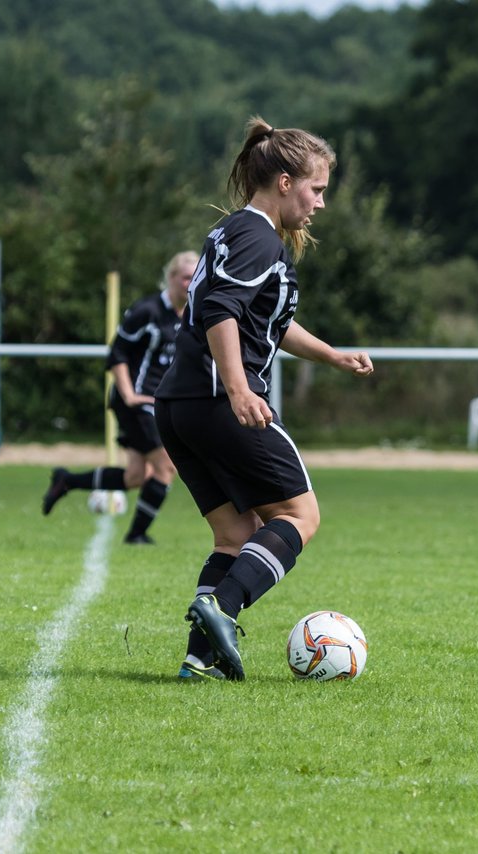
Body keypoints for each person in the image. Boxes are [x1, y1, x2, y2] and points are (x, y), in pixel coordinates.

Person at [154, 117, 374, 681]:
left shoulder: (237, 233)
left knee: (235, 534)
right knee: (301, 515)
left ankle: (198, 659)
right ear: (283, 181)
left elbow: (268, 323)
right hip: (218, 402)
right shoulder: (256, 236)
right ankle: (221, 609)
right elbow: (221, 310)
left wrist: (330, 355)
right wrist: (239, 388)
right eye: (316, 188)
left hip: (179, 406)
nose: (321, 202)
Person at [41, 251, 199, 545]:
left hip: (158, 403)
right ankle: (137, 535)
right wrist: (129, 394)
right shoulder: (147, 310)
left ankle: (67, 481)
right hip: (136, 402)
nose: (190, 284)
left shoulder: (190, 316)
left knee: (135, 477)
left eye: (195, 277)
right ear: (172, 278)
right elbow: (118, 353)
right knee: (166, 467)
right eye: (186, 277)